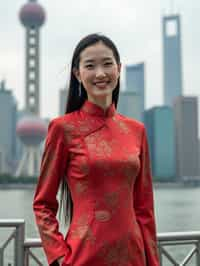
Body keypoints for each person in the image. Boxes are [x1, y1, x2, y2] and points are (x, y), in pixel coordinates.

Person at [33, 33, 160, 266]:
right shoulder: (63, 129)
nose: (100, 73)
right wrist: (59, 257)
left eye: (108, 64)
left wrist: (152, 261)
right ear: (78, 74)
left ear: (119, 69)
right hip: (82, 258)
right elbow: (43, 204)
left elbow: (144, 208)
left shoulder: (136, 131)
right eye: (90, 66)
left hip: (134, 258)